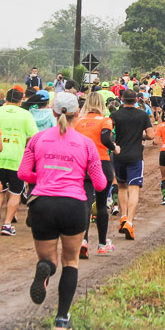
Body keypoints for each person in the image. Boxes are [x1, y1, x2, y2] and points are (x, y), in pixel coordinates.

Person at [19, 92, 107, 330]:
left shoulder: (37, 139)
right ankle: (61, 319)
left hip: (43, 204)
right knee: (71, 261)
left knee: (47, 259)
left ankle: (46, 270)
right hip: (73, 205)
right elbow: (99, 184)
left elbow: (23, 174)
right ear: (77, 114)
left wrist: (45, 177)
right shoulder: (86, 144)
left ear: (53, 112)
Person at [0, 88, 39, 238]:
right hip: (16, 159)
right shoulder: (25, 114)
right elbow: (35, 136)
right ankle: (7, 224)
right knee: (15, 193)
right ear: (21, 100)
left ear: (6, 99)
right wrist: (24, 140)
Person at [73, 91, 116, 256]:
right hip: (102, 163)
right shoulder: (106, 120)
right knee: (101, 204)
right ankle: (102, 243)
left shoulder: (78, 122)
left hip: (82, 164)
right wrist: (114, 147)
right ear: (101, 105)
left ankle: (83, 240)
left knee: (84, 203)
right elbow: (105, 138)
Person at [109, 90, 154, 241]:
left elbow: (108, 134)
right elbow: (151, 135)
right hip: (135, 156)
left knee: (122, 186)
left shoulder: (115, 115)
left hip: (119, 155)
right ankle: (129, 222)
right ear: (135, 100)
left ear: (122, 99)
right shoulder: (142, 115)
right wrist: (139, 134)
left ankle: (123, 217)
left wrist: (114, 143)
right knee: (134, 189)